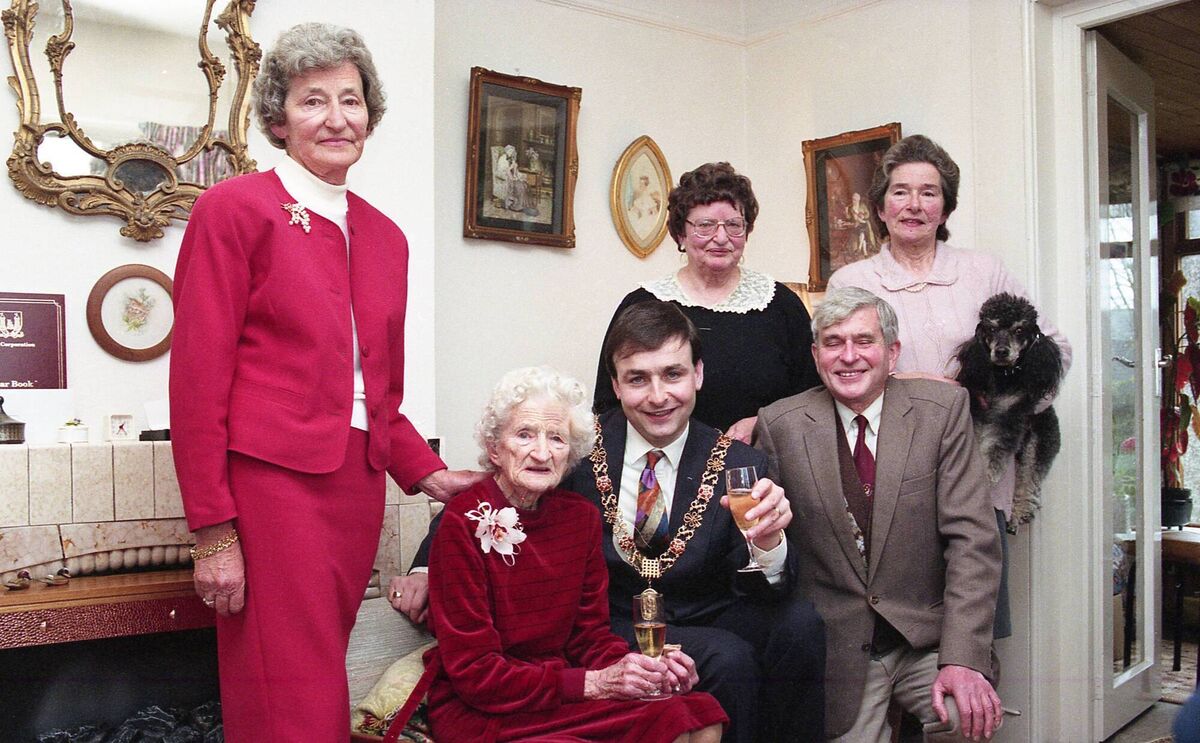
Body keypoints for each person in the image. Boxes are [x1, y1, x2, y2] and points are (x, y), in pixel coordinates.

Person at [169, 23, 481, 741]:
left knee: (313, 679)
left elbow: (380, 393)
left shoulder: (386, 236)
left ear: (370, 114)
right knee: (291, 692)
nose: (337, 117)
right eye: (313, 101)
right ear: (279, 119)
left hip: (353, 489)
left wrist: (431, 475)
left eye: (351, 99)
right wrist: (213, 531)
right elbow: (195, 383)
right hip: (270, 485)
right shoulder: (233, 209)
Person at [401, 301, 826, 743]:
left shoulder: (739, 462)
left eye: (673, 374)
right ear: (616, 385)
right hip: (611, 620)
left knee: (799, 625)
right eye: (638, 378)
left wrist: (770, 543)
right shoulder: (574, 447)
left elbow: (764, 592)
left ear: (698, 374)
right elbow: (492, 496)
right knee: (727, 658)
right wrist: (424, 568)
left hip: (706, 613)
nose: (658, 396)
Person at [826, 134, 1071, 640]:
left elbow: (1052, 350)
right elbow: (839, 370)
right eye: (900, 191)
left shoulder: (983, 271)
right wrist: (920, 383)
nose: (914, 204)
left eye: (929, 192)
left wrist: (1005, 402)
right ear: (879, 205)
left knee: (973, 638)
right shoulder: (852, 279)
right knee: (893, 640)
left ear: (946, 206)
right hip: (891, 483)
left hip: (977, 483)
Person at [423, 366, 727, 742]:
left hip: (560, 687)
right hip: (486, 705)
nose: (541, 452)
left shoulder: (579, 518)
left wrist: (639, 668)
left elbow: (589, 636)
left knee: (696, 715)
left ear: (570, 455)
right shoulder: (463, 522)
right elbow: (475, 674)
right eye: (524, 435)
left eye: (557, 439)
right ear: (494, 448)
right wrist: (595, 684)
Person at [755, 288, 1003, 742]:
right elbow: (768, 554)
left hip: (926, 636)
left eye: (863, 341)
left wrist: (963, 659)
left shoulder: (941, 412)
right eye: (833, 343)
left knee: (964, 718)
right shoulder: (779, 425)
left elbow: (974, 543)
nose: (848, 357)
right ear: (815, 355)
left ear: (892, 353)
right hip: (838, 647)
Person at [593, 162, 821, 443]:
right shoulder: (643, 304)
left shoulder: (780, 305)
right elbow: (608, 405)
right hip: (665, 468)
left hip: (761, 465)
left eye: (734, 225)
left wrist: (763, 423)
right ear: (680, 234)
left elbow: (813, 399)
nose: (721, 238)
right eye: (705, 226)